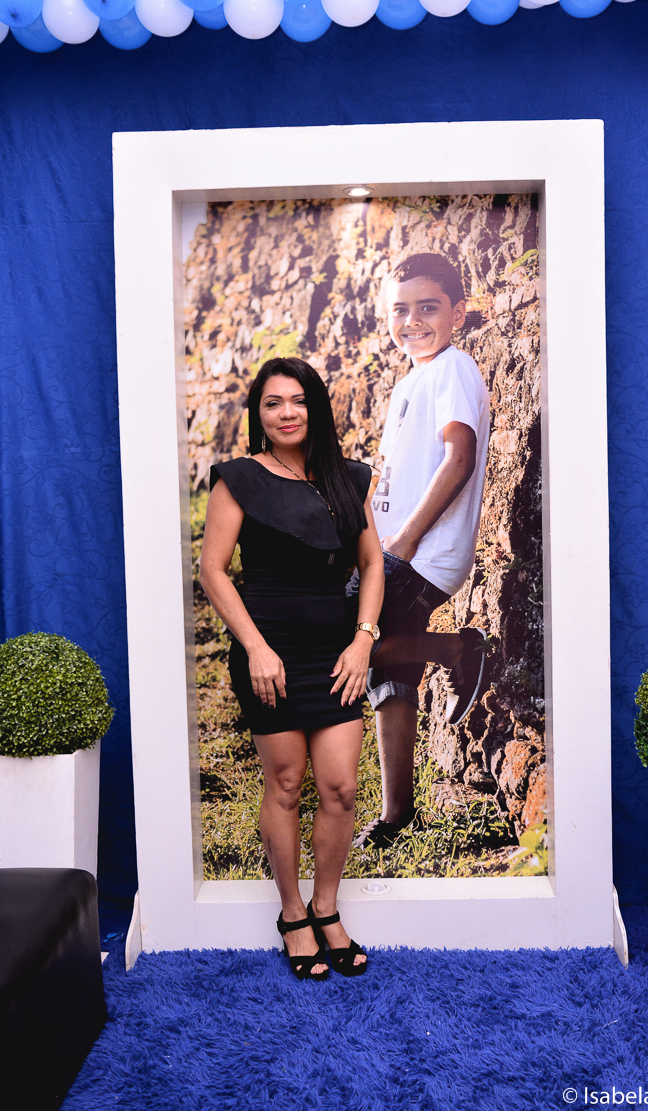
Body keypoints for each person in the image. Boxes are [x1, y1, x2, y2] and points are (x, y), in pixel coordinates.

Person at [200, 356, 384, 981]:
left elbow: (373, 564)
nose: (286, 413)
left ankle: (326, 907)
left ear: (315, 408)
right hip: (269, 654)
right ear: (259, 412)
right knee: (284, 785)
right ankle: (291, 913)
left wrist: (363, 641)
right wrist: (255, 647)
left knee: (340, 788)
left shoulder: (347, 478)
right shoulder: (238, 480)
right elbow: (213, 570)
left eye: (298, 400)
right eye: (273, 402)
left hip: (337, 656)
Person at [351, 253, 493, 851]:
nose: (412, 321)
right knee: (389, 673)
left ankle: (458, 649)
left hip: (421, 553)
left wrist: (404, 542)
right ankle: (395, 815)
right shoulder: (411, 381)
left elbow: (459, 459)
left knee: (349, 649)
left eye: (428, 308)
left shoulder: (454, 368)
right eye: (400, 310)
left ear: (457, 312)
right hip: (391, 549)